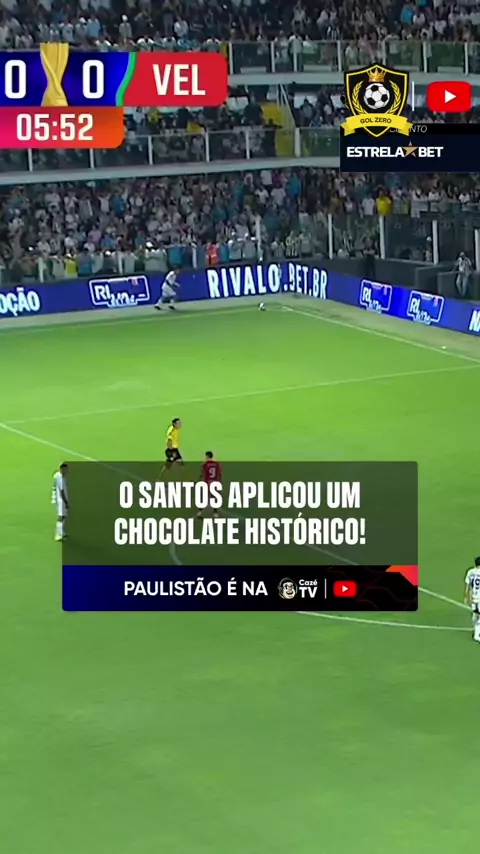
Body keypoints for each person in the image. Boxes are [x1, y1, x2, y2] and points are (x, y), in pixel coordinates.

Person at [197, 451, 222, 518]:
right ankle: (215, 513)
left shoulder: (205, 464)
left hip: (207, 482)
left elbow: (202, 473)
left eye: (206, 456)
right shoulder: (217, 464)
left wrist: (199, 479)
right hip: (215, 482)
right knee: (214, 498)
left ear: (207, 456)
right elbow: (220, 474)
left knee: (204, 498)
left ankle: (199, 512)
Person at [464, 557, 480, 642]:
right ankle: (477, 635)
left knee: (475, 614)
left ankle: (475, 629)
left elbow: (468, 586)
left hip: (473, 597)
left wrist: (466, 597)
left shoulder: (470, 572)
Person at [52, 463, 68, 541]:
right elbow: (62, 491)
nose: (66, 471)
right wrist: (66, 502)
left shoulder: (59, 476)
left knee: (64, 516)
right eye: (65, 469)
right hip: (60, 500)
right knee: (61, 517)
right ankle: (58, 534)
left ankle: (61, 532)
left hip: (61, 499)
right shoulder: (60, 478)